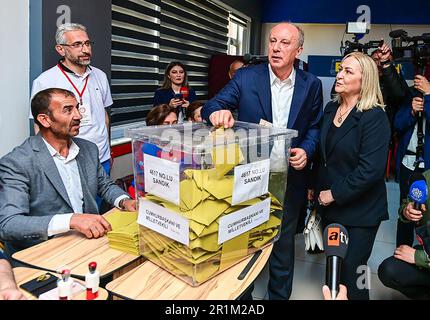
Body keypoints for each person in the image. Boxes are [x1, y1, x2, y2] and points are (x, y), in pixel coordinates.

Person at [202, 22, 323, 300]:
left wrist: (306, 149)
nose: (276, 48)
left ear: (299, 50)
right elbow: (212, 104)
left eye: (284, 43)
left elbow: (315, 126)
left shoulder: (311, 84)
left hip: (289, 176)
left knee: (281, 243)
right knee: (240, 239)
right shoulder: (246, 77)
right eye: (272, 41)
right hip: (249, 175)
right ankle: (240, 296)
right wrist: (216, 114)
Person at [0, 88, 135, 258]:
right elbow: (9, 224)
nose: (78, 115)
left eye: (77, 108)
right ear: (45, 120)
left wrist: (125, 201)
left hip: (90, 244)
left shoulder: (89, 149)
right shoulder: (17, 162)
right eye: (68, 110)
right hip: (44, 255)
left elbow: (105, 185)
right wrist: (72, 220)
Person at [315, 52, 390, 300]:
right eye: (340, 69)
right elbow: (324, 155)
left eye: (348, 71)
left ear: (364, 80)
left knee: (355, 272)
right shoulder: (331, 109)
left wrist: (333, 194)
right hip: (331, 207)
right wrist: (314, 186)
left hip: (361, 212)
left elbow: (371, 170)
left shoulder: (374, 117)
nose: (339, 75)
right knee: (333, 268)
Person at [30, 23, 113, 176]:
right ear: (61, 49)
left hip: (102, 158)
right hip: (67, 162)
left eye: (87, 43)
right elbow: (39, 126)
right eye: (77, 44)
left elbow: (104, 115)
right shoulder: (45, 81)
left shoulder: (100, 76)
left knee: (103, 198)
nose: (86, 49)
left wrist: (108, 149)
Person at [378, 169, 430, 299]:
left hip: (425, 257)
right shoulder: (426, 177)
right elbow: (405, 205)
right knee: (389, 270)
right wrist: (407, 211)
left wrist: (418, 257)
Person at [394, 74, 430, 247]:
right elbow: (397, 125)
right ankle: (401, 253)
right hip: (408, 163)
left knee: (426, 213)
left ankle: (424, 256)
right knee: (405, 212)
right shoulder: (410, 94)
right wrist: (411, 112)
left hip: (428, 168)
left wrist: (429, 97)